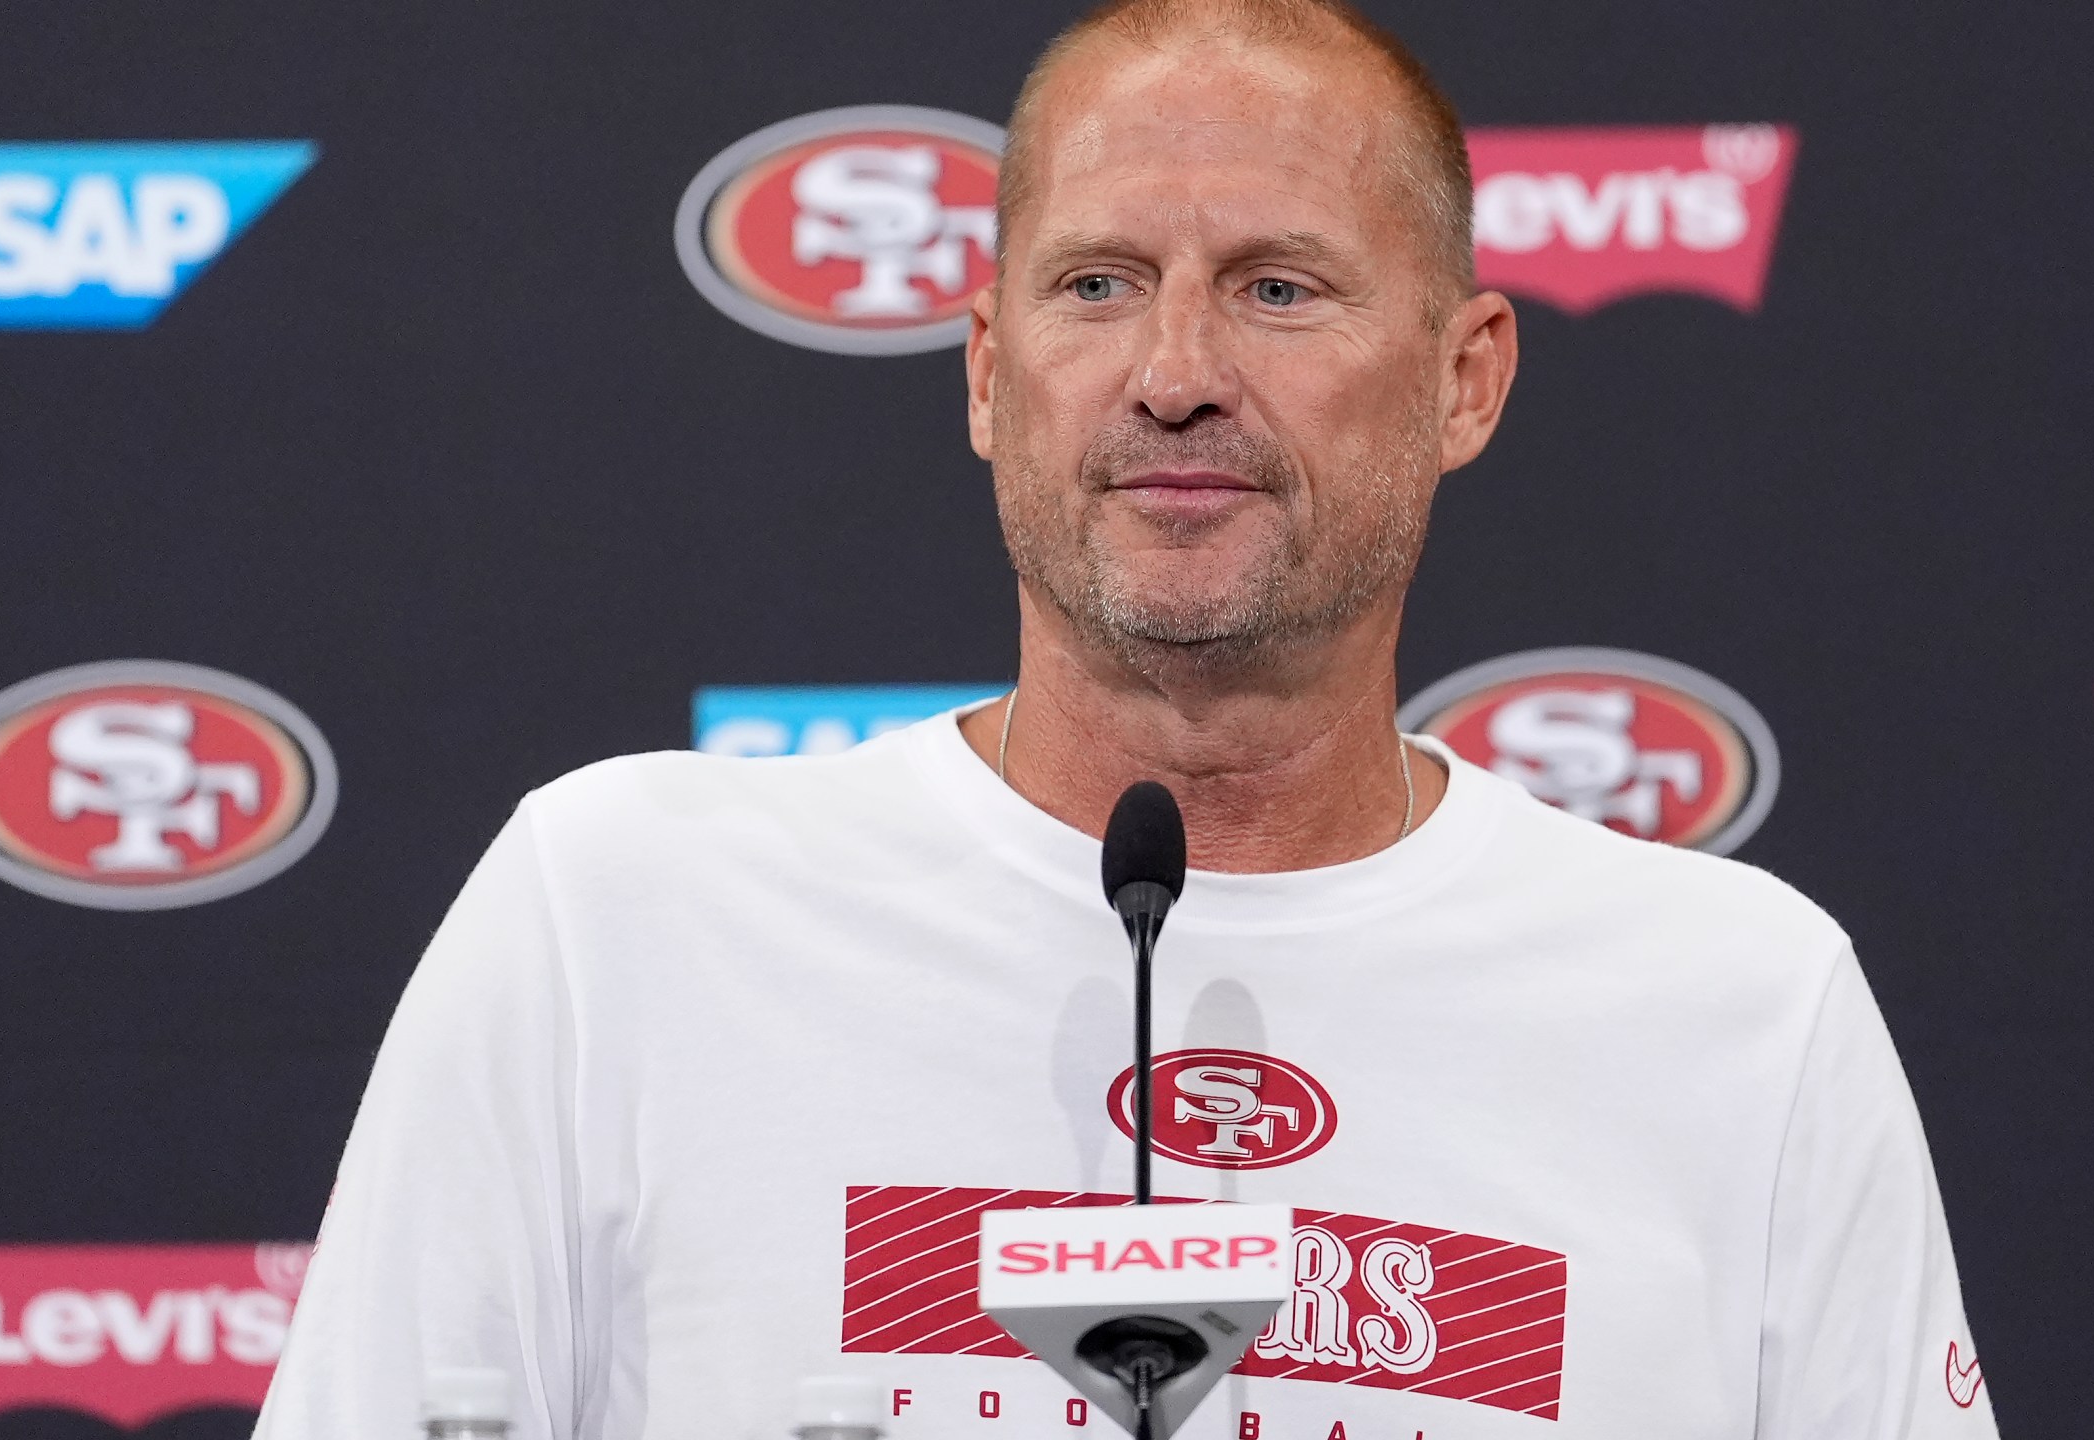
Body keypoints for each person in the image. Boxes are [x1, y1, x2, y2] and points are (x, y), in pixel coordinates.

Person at [257, 0, 2000, 1435]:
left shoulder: (1742, 1008)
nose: (1176, 372)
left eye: (1278, 287)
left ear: (1467, 378)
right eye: (1095, 284)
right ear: (988, 376)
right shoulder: (615, 914)